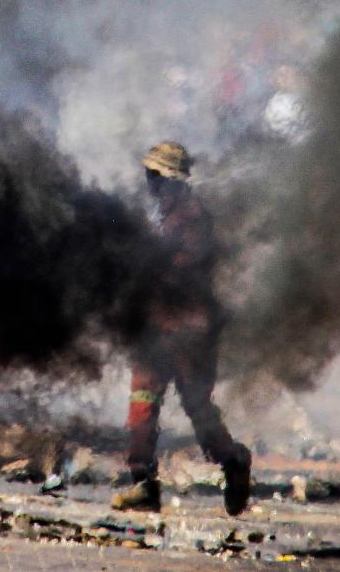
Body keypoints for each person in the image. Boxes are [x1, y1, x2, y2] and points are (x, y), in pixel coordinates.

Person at [112, 141, 251, 516]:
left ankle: (233, 462)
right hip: (158, 327)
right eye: (149, 175)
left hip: (189, 330)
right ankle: (143, 483)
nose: (149, 183)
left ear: (171, 180)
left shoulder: (190, 218)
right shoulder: (165, 215)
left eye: (155, 176)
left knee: (197, 407)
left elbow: (184, 271)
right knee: (141, 404)